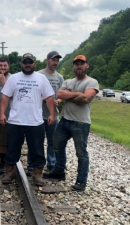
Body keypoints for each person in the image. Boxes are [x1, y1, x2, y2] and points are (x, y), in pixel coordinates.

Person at [43, 55, 99, 192]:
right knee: (57, 146)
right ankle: (59, 172)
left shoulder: (92, 82)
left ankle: (81, 181)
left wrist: (70, 95)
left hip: (81, 123)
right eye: (76, 64)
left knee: (81, 153)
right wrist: (77, 94)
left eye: (81, 63)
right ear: (74, 66)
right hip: (65, 120)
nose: (79, 66)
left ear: (87, 65)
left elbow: (86, 99)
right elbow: (60, 94)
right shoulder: (68, 81)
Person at [0, 53, 55, 186]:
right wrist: (2, 113)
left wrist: (52, 114)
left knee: (37, 150)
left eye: (30, 62)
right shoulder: (14, 78)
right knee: (12, 148)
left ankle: (38, 174)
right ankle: (9, 172)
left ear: (35, 63)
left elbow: (49, 98)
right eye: (25, 62)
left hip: (35, 121)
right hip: (15, 121)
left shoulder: (41, 78)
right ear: (21, 64)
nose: (28, 64)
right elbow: (5, 97)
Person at [27, 51, 64, 175]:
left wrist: (58, 100)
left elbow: (61, 94)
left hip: (53, 115)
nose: (55, 63)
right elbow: (31, 93)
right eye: (53, 60)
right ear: (47, 60)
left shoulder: (60, 77)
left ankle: (51, 164)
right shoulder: (38, 75)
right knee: (35, 141)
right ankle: (32, 164)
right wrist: (44, 99)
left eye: (57, 60)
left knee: (52, 141)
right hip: (38, 115)